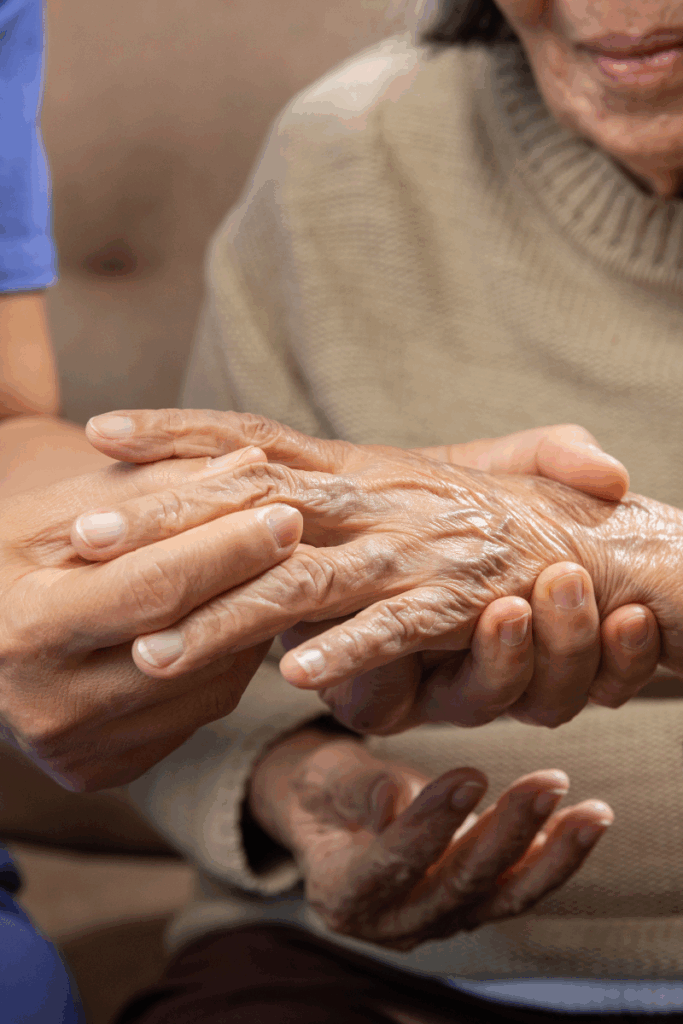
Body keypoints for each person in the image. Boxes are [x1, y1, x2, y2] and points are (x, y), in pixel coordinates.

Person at [66, 0, 683, 1012]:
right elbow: (183, 666)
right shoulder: (344, 151)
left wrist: (628, 560)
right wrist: (299, 790)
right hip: (357, 968)